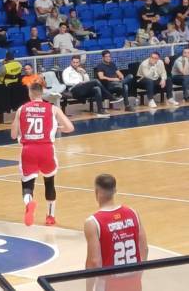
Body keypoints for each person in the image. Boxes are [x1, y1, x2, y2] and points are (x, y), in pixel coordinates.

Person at [11, 83, 75, 227]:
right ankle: (50, 216)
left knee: (27, 186)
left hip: (28, 150)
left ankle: (29, 203)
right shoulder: (53, 108)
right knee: (49, 183)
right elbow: (70, 128)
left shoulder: (22, 109)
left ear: (30, 93)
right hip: (47, 149)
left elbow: (13, 135)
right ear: (42, 93)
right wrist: (57, 128)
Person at [85, 174, 147, 284]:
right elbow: (144, 249)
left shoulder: (93, 222)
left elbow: (94, 262)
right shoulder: (133, 213)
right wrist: (138, 276)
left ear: (97, 192)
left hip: (109, 284)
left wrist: (89, 288)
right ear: (115, 191)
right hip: (133, 282)